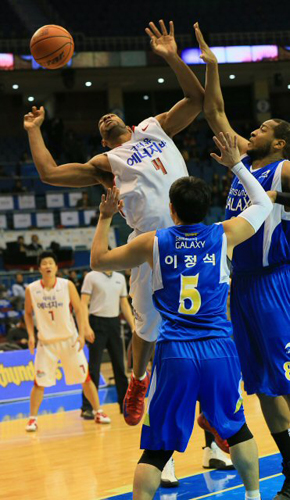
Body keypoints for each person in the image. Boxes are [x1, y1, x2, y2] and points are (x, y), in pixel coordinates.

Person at [23, 20, 204, 430]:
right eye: (100, 127)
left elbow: (196, 97)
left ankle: (212, 418)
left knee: (205, 325)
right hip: (148, 245)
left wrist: (172, 56)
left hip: (193, 233)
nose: (104, 118)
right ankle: (138, 381)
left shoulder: (156, 127)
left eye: (110, 116)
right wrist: (34, 131)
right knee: (148, 328)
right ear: (105, 143)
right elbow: (50, 173)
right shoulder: (107, 165)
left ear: (125, 121)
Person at [88, 131, 273, 500]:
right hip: (219, 348)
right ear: (208, 209)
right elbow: (263, 204)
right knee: (238, 430)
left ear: (171, 209)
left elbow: (98, 261)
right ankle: (254, 497)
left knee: (157, 448)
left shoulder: (151, 242)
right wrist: (236, 164)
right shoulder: (225, 234)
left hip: (175, 351)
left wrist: (106, 217)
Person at [195, 23, 290, 500]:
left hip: (276, 280)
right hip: (242, 284)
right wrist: (211, 65)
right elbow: (213, 110)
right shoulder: (244, 161)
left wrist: (278, 193)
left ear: (278, 143)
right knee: (261, 384)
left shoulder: (283, 166)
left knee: (284, 376)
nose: (250, 131)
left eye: (261, 129)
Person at [24, 251, 110, 432]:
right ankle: (32, 419)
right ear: (39, 268)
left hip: (69, 340)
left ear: (56, 267)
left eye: (51, 263)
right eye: (44, 263)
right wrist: (31, 335)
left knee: (85, 379)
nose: (48, 266)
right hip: (46, 343)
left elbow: (79, 309)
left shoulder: (66, 285)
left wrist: (82, 332)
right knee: (39, 383)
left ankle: (98, 411)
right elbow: (27, 313)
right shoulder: (31, 289)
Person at [80, 268, 134, 417]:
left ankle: (125, 406)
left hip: (114, 323)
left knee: (120, 366)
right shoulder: (91, 276)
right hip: (96, 323)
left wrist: (134, 326)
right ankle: (88, 407)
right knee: (94, 367)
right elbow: (83, 303)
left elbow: (124, 304)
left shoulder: (120, 277)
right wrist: (86, 326)